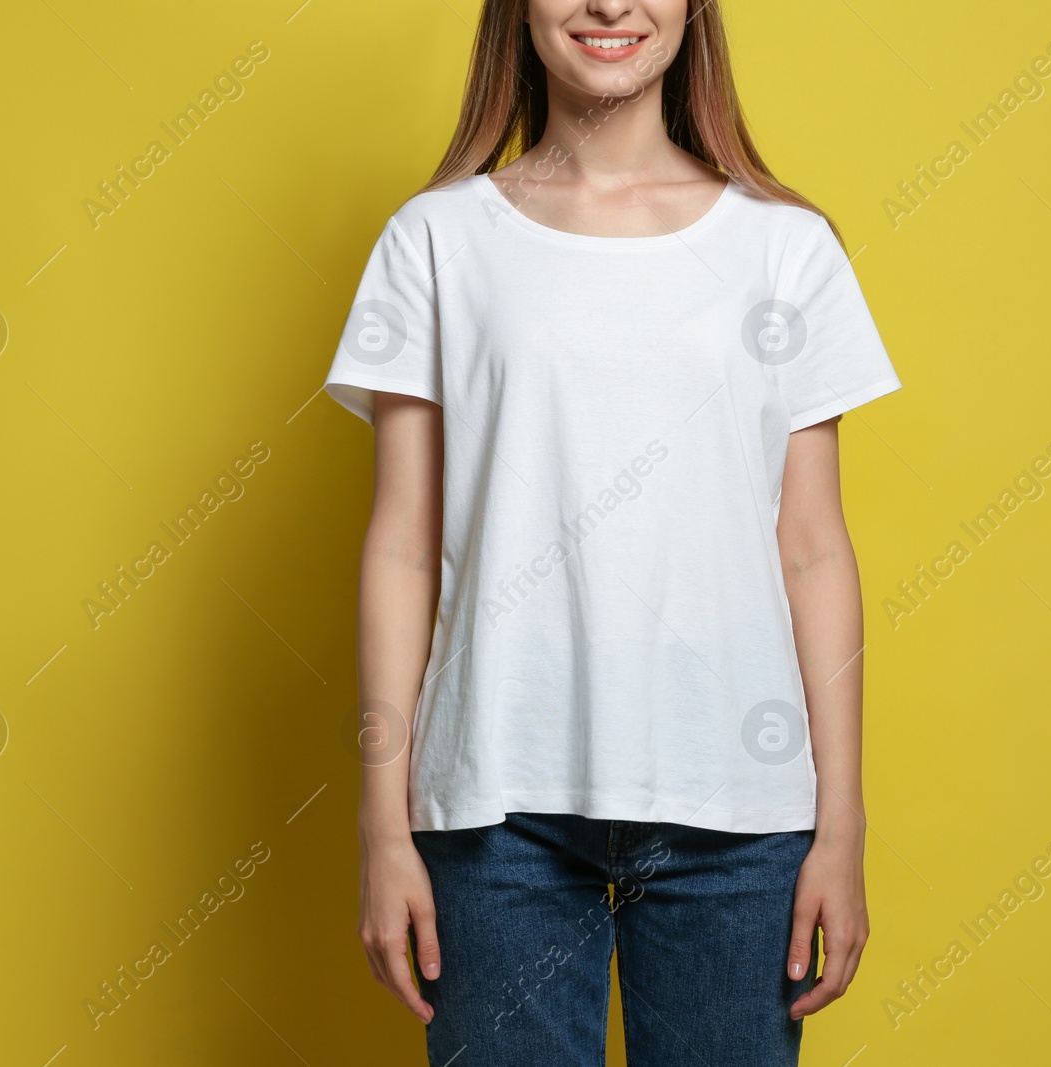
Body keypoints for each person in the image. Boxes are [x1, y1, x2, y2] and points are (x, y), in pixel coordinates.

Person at [322, 2, 902, 1063]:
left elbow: (813, 545)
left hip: (736, 809)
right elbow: (400, 547)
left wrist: (842, 821)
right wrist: (383, 823)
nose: (608, 5)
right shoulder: (437, 241)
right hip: (495, 811)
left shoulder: (784, 248)